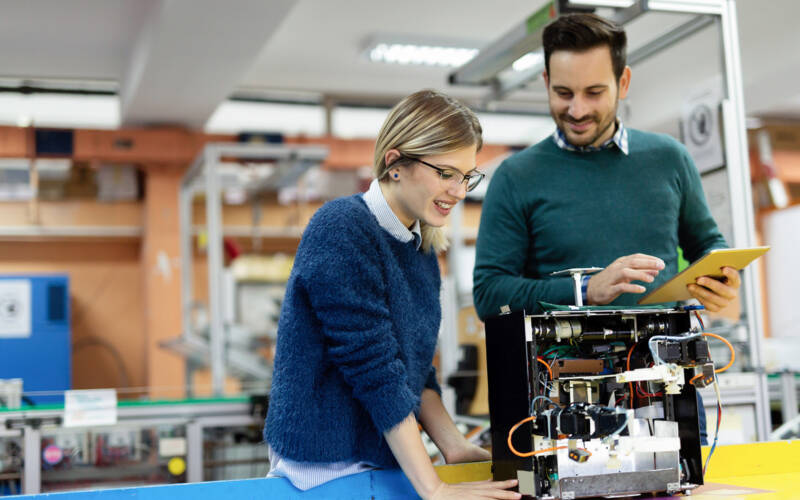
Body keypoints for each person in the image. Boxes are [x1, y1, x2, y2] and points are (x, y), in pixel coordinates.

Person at [265, 90, 520, 500]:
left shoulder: (421, 248)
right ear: (395, 163)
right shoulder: (343, 227)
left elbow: (414, 370)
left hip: (382, 465)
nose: (458, 190)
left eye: (467, 176)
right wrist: (433, 488)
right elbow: (377, 371)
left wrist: (454, 446)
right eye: (445, 173)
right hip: (323, 469)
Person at [473, 13, 741, 320]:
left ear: (623, 82)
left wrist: (722, 278)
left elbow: (708, 245)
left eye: (594, 92)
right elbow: (489, 295)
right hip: (561, 363)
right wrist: (584, 290)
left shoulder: (670, 158)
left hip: (665, 362)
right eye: (563, 93)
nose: (577, 109)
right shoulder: (515, 177)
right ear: (546, 82)